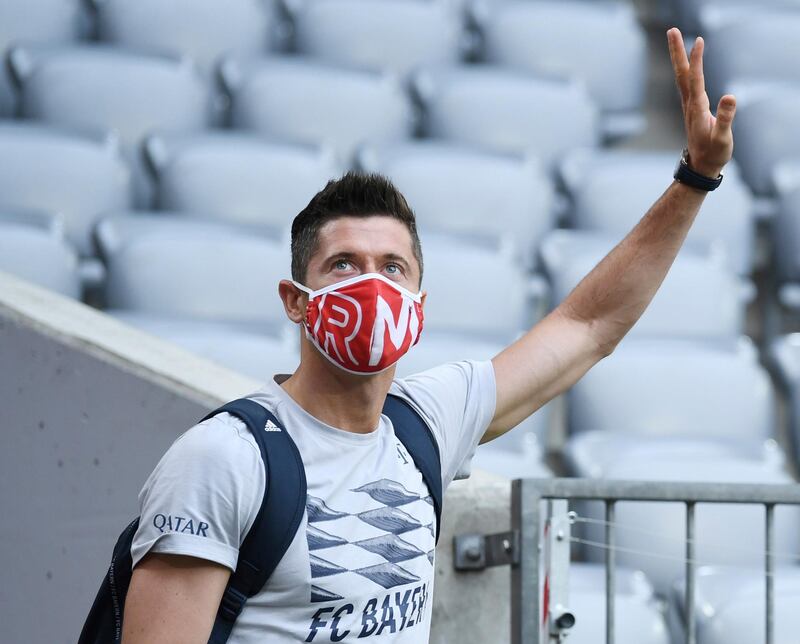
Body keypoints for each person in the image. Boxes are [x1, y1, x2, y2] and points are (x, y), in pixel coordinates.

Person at [120, 28, 736, 643]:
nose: (371, 285)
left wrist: (696, 178)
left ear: (419, 307)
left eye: (393, 268)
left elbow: (589, 325)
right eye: (343, 265)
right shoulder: (223, 460)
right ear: (296, 303)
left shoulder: (426, 424)